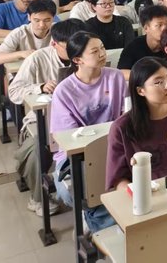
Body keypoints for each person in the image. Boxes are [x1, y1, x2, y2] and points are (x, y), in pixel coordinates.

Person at [50, 31, 127, 232]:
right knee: (76, 191)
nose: (102, 53)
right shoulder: (64, 91)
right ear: (77, 60)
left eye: (102, 47)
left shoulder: (115, 77)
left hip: (115, 146)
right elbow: (69, 138)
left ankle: (104, 222)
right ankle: (98, 222)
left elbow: (126, 115)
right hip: (77, 155)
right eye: (95, 51)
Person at [9, 19, 86, 213]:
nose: (77, 52)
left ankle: (91, 189)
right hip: (43, 117)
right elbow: (14, 91)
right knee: (39, 147)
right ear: (54, 43)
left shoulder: (89, 55)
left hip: (82, 115)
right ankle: (37, 198)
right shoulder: (38, 58)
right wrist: (40, 87)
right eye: (70, 47)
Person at [106, 57, 167, 191]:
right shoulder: (121, 127)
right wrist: (138, 195)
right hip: (141, 195)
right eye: (158, 82)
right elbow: (119, 178)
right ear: (140, 91)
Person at [0, 0, 56, 67]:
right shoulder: (19, 33)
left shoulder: (58, 30)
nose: (42, 25)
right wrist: (21, 54)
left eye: (47, 20)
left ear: (53, 18)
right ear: (29, 17)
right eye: (37, 20)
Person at [117, 5, 167, 71]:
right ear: (146, 28)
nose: (165, 29)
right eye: (159, 25)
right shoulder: (134, 46)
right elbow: (122, 71)